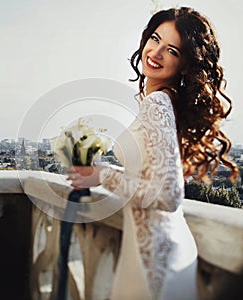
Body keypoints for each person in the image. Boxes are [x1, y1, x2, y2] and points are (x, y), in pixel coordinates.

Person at [67, 6, 239, 300]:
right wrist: (100, 175)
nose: (156, 53)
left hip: (154, 262)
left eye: (172, 50)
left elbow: (169, 196)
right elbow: (148, 177)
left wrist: (103, 174)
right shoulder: (164, 101)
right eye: (155, 39)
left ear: (185, 65)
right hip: (151, 250)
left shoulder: (158, 103)